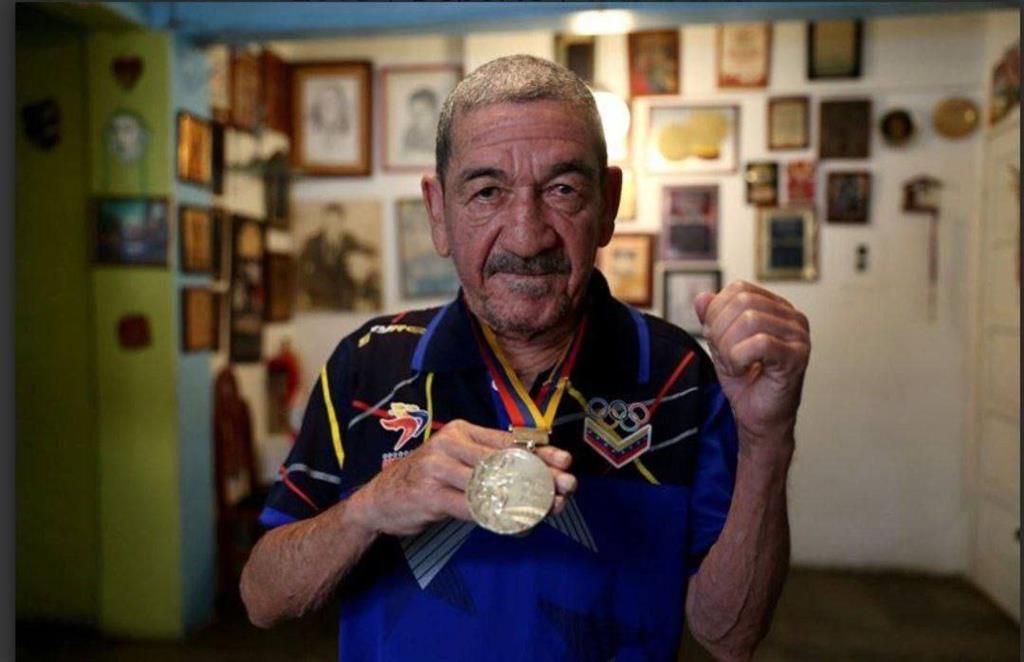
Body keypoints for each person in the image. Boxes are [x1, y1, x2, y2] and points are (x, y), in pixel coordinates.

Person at [241, 54, 810, 661]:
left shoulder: (680, 376)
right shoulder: (367, 364)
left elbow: (730, 635)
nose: (526, 235)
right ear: (438, 212)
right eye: (487, 192)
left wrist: (768, 438)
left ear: (608, 203)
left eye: (563, 190)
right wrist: (371, 508)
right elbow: (263, 598)